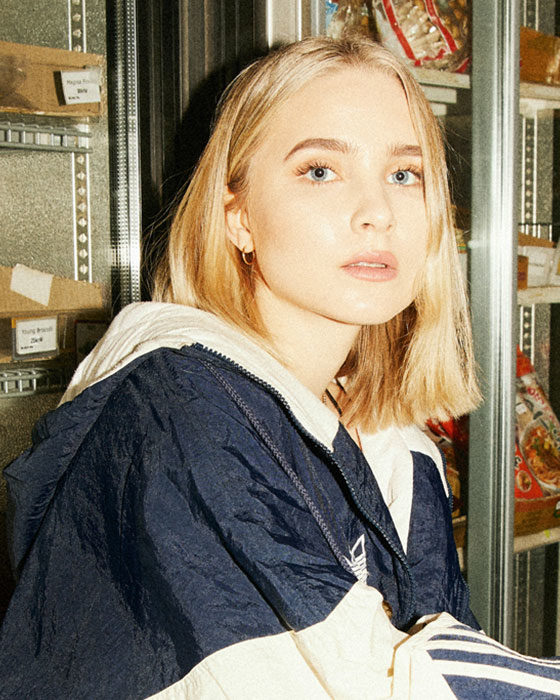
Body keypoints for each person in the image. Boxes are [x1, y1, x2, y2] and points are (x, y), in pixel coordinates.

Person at [2, 35, 560, 700]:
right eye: (320, 171)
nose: (377, 213)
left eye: (404, 174)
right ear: (237, 216)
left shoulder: (396, 448)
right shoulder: (183, 412)